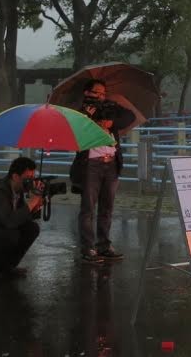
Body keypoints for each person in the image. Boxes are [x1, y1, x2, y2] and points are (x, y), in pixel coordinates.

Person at [69, 79, 135, 264]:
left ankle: (104, 245)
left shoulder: (110, 107)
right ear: (86, 92)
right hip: (91, 163)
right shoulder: (78, 112)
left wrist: (110, 122)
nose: (100, 96)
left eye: (103, 93)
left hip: (112, 162)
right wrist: (87, 117)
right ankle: (88, 247)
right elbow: (75, 132)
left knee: (107, 208)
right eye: (97, 92)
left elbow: (129, 117)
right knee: (88, 208)